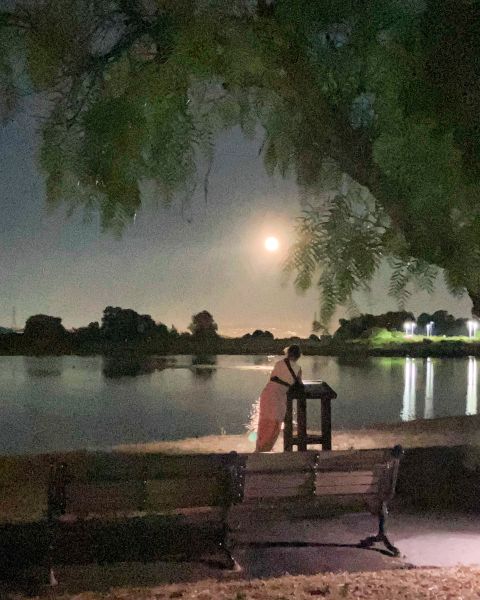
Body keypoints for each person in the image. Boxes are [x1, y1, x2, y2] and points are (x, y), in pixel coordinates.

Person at [255, 345, 303, 452]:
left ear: (288, 353)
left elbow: (273, 378)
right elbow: (299, 386)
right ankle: (265, 450)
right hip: (279, 397)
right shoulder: (298, 369)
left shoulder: (279, 364)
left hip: (267, 393)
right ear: (298, 356)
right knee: (274, 426)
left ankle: (259, 450)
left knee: (264, 424)